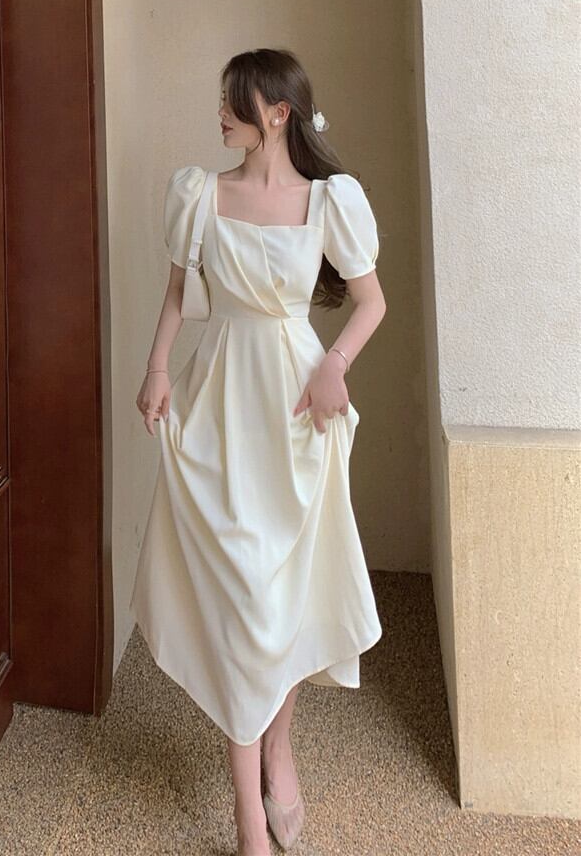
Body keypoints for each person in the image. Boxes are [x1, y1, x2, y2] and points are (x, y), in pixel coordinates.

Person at [131, 48, 387, 855]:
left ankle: (279, 749)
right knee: (242, 602)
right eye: (220, 100)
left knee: (286, 597)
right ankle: (250, 820)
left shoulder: (329, 201)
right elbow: (180, 291)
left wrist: (334, 365)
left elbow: (371, 302)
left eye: (233, 102)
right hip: (220, 400)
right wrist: (157, 366)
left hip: (295, 404)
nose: (219, 113)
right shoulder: (200, 194)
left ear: (277, 113)